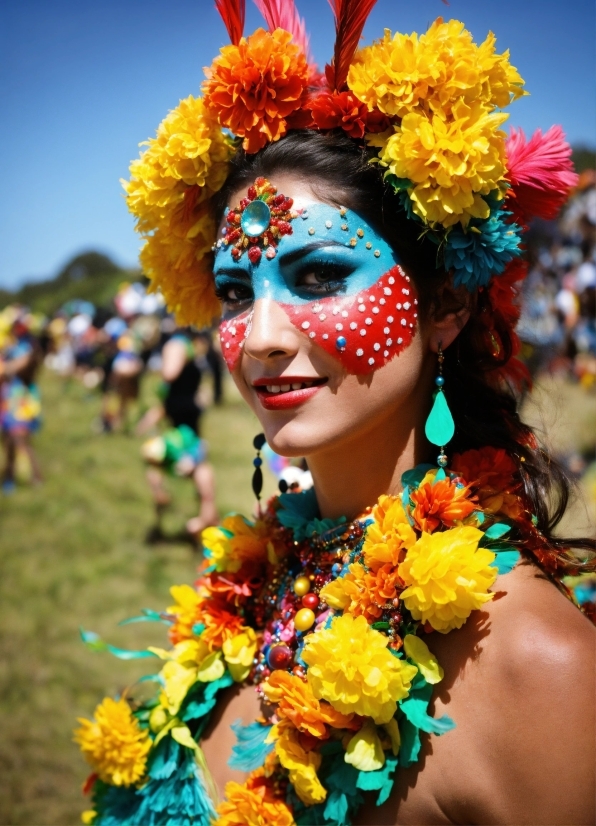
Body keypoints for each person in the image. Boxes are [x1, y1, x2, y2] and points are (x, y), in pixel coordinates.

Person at [74, 5, 595, 825]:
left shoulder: (540, 664)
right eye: (238, 294)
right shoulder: (254, 587)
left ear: (447, 303)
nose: (261, 337)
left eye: (319, 276)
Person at [136, 329, 218, 537]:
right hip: (181, 425)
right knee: (164, 460)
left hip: (186, 428)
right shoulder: (186, 348)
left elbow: (170, 373)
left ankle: (205, 523)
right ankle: (203, 520)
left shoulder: (177, 345)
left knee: (197, 468)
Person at [0, 314, 43, 491]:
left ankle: (36, 478)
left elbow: (16, 369)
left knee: (20, 439)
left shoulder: (29, 349)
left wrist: (6, 368)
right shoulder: (12, 347)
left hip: (21, 399)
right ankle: (10, 476)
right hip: (8, 397)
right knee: (8, 440)